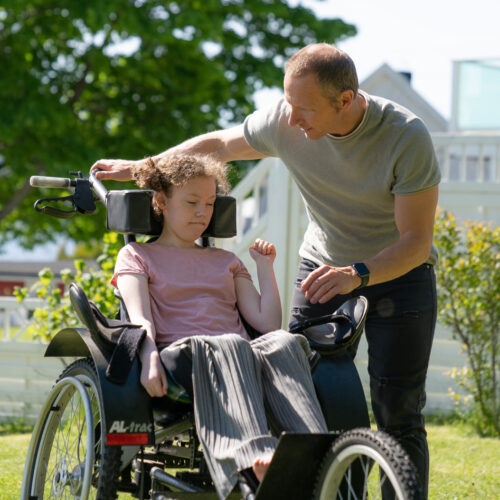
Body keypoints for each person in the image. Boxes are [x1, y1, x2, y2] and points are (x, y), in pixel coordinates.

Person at [93, 43, 440, 497]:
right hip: (323, 267)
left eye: (304, 109)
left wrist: (357, 272)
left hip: (399, 274)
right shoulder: (286, 119)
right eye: (289, 105)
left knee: (399, 411)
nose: (291, 120)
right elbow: (218, 146)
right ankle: (303, 476)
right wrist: (148, 166)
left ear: (346, 101)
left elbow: (415, 242)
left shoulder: (404, 136)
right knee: (297, 363)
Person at [111, 152, 328, 500]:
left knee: (284, 342)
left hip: (238, 354)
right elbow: (138, 316)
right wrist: (148, 354)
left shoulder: (226, 261)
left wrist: (264, 268)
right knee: (230, 344)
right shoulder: (137, 255)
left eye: (211, 204)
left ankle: (315, 453)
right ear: (161, 202)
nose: (203, 213)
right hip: (180, 357)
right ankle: (251, 457)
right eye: (192, 202)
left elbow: (268, 324)